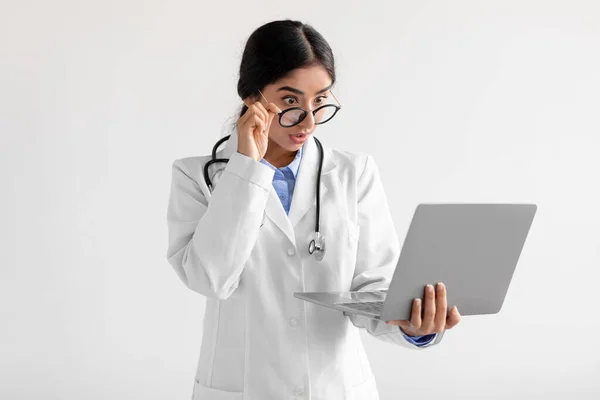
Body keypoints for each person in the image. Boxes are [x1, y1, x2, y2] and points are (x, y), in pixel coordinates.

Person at [166, 19, 461, 400]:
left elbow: (371, 290)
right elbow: (211, 279)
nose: (307, 120)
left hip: (335, 388)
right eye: (290, 101)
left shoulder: (354, 174)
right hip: (242, 388)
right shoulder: (196, 177)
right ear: (252, 97)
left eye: (319, 100)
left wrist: (413, 326)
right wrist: (247, 169)